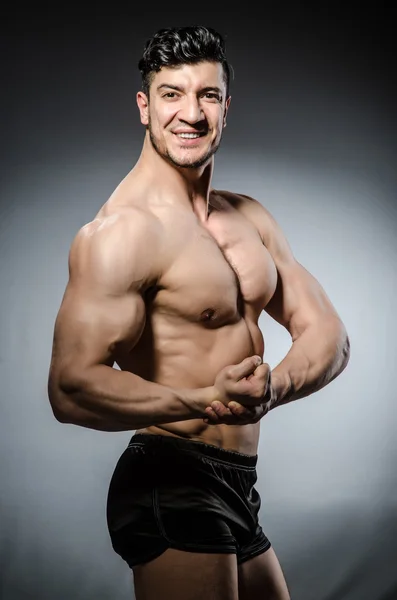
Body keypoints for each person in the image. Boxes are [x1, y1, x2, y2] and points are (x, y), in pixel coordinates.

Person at [47, 25, 350, 600]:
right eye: (171, 94)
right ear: (144, 106)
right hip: (170, 476)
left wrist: (275, 387)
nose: (191, 113)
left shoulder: (249, 218)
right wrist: (201, 400)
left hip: (236, 483)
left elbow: (329, 334)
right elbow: (69, 388)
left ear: (226, 107)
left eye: (207, 95)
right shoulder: (122, 234)